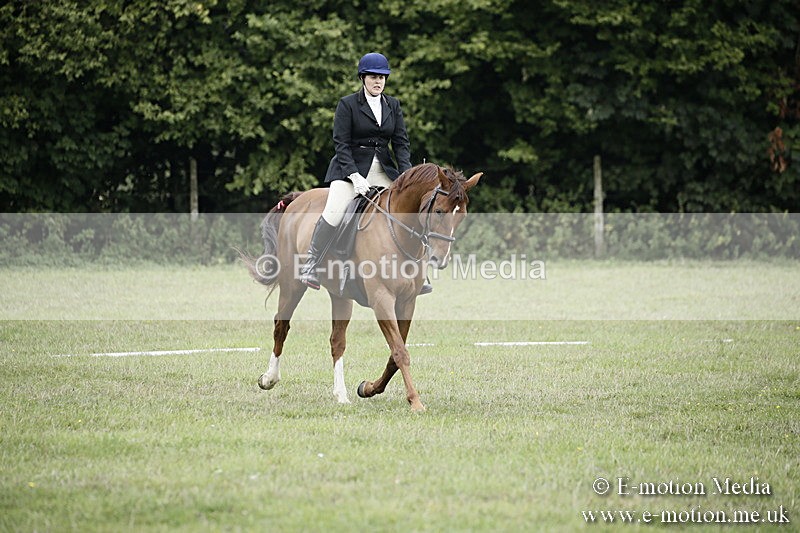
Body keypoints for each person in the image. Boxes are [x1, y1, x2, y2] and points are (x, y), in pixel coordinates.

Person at [299, 52, 432, 294]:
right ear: (363, 78)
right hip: (350, 169)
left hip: (384, 170)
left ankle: (418, 272)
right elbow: (341, 144)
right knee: (334, 211)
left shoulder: (393, 105)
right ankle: (312, 263)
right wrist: (353, 175)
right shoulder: (348, 104)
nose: (378, 81)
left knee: (410, 210)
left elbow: (401, 143)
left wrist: (407, 177)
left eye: (382, 77)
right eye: (373, 77)